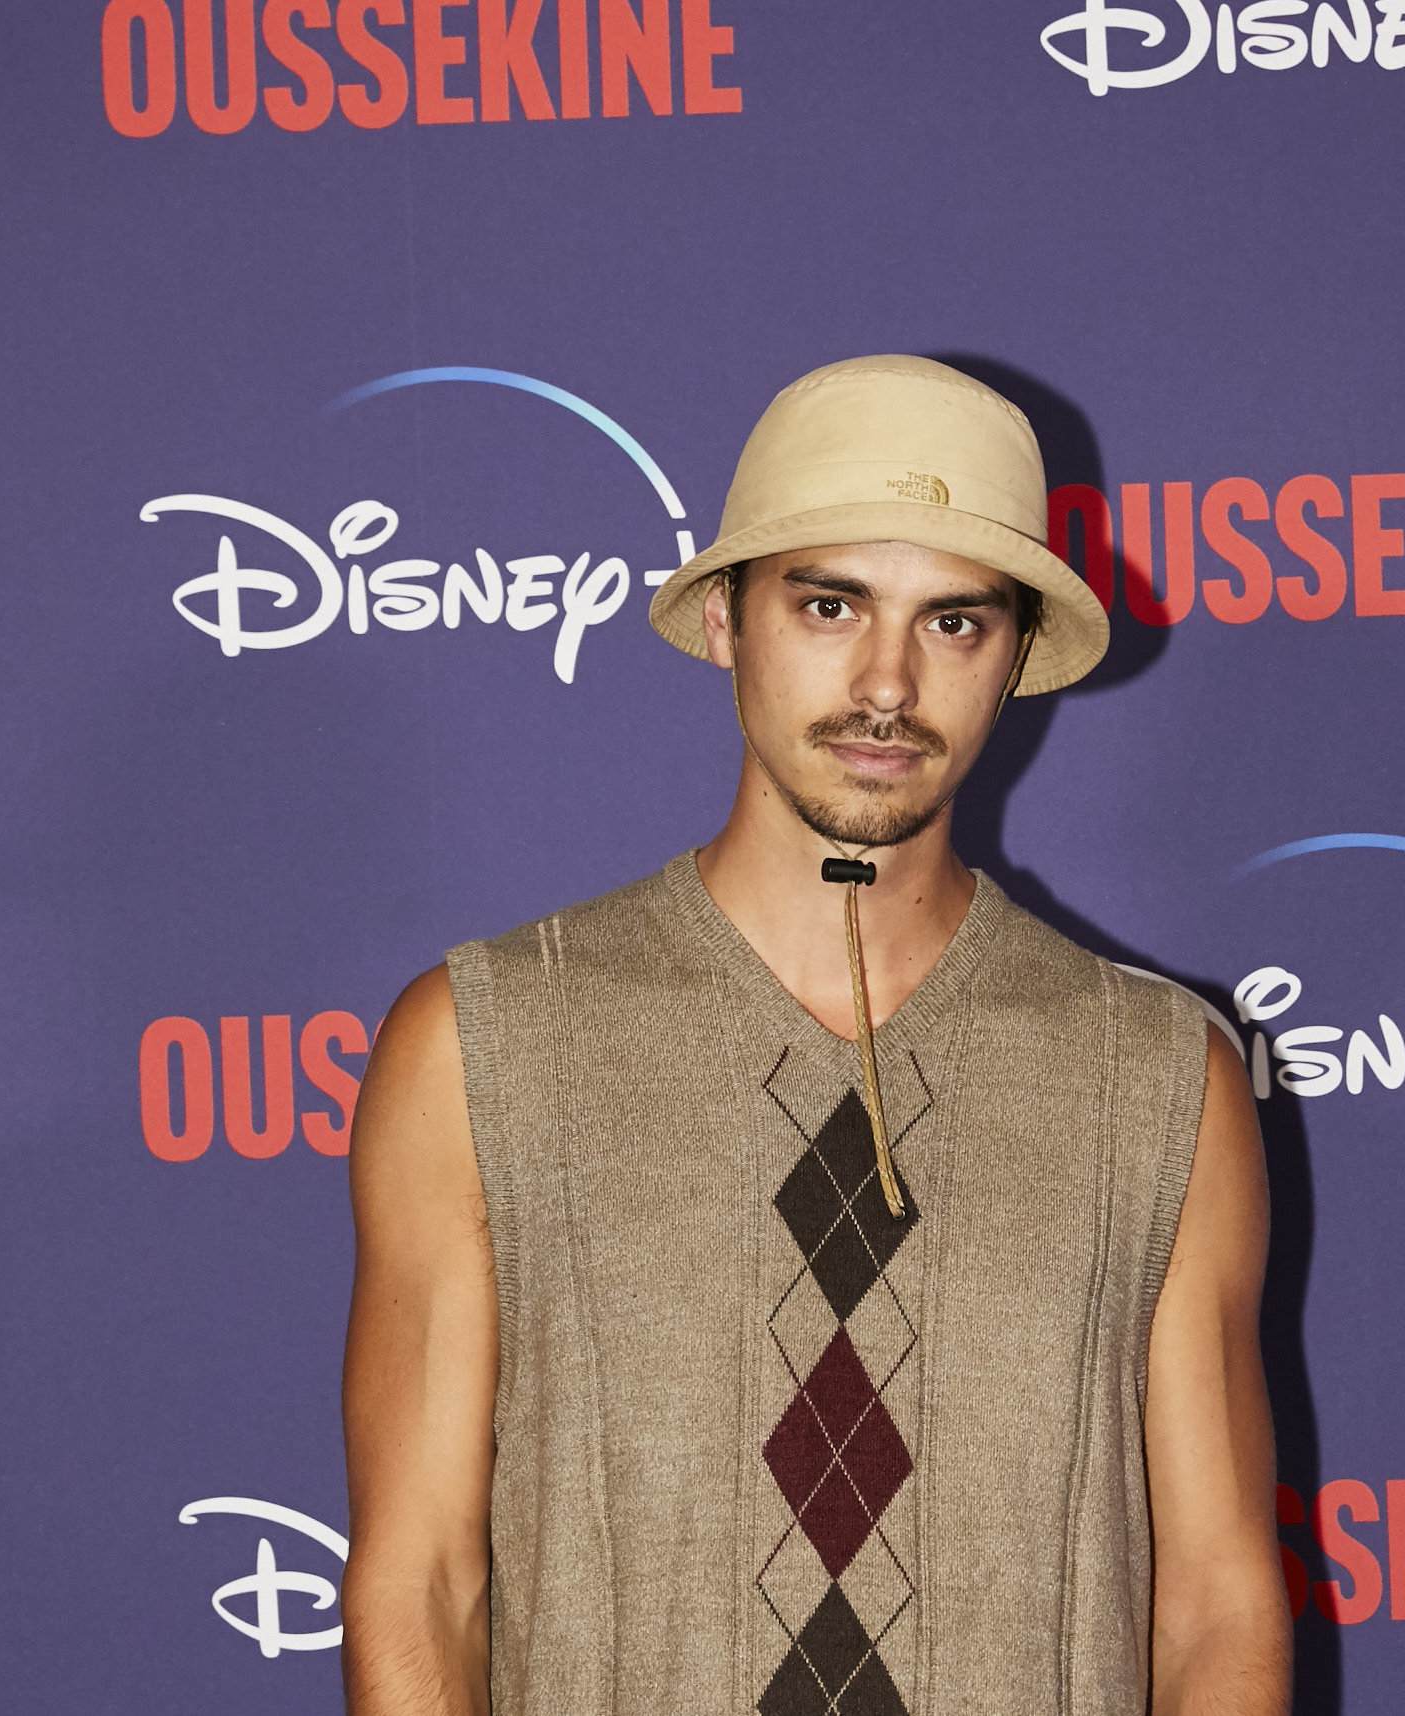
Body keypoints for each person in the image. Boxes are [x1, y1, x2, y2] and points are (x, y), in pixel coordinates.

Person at [340, 355, 1290, 1716]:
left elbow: (1216, 1610)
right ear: (724, 616)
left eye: (953, 621)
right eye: (830, 604)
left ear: (1016, 657)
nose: (887, 682)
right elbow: (419, 1583)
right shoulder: (485, 1046)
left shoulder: (1157, 1080)